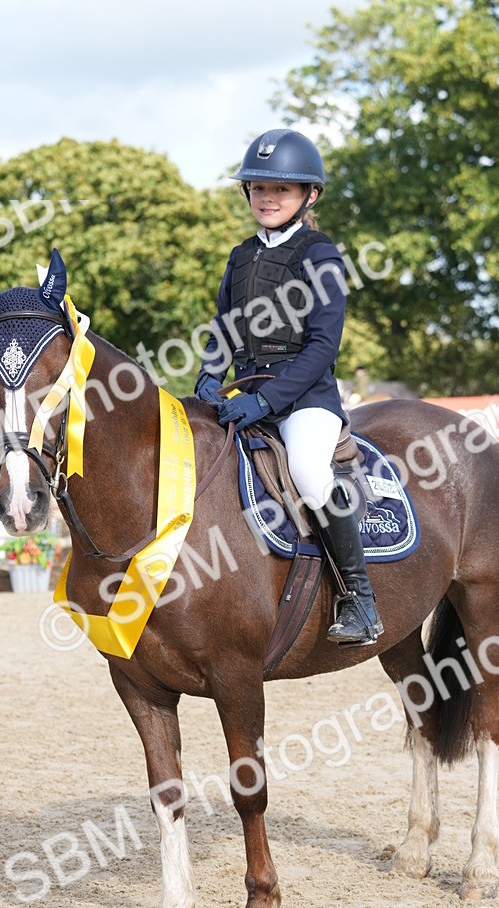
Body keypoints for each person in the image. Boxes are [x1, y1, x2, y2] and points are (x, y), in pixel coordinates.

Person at [194, 129, 382, 645]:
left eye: (280, 190)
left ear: (309, 195)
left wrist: (267, 401)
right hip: (247, 391)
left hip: (304, 399)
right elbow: (224, 327)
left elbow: (322, 348)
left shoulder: (320, 254)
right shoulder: (240, 256)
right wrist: (209, 378)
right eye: (257, 189)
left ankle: (360, 599)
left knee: (308, 472)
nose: (267, 198)